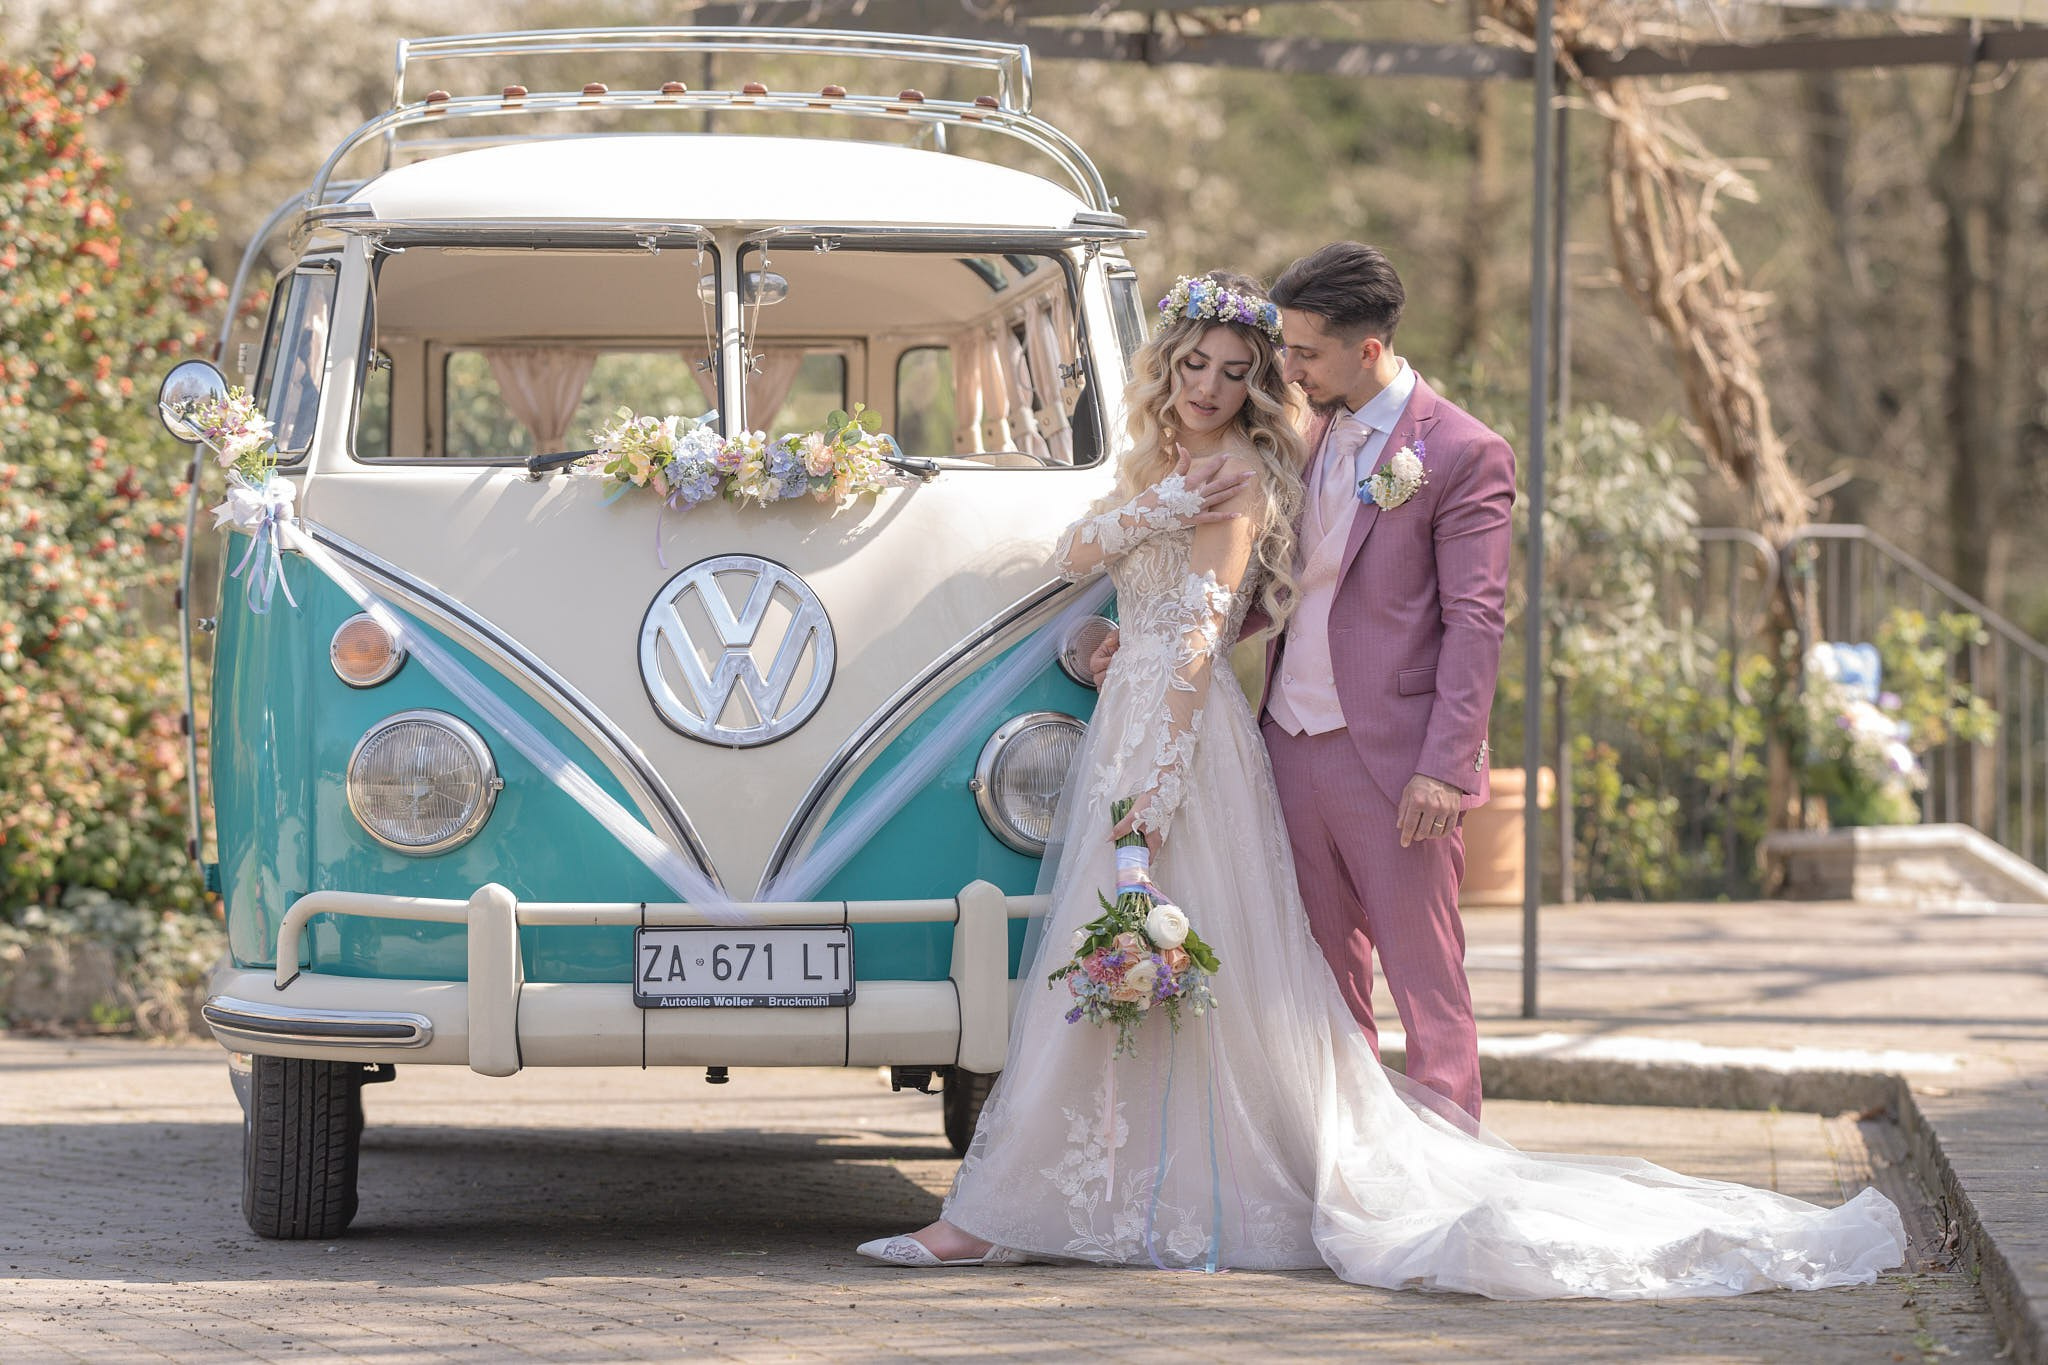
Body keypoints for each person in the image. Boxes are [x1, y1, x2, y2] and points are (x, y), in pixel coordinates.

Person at [856, 270, 1905, 1297]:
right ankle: (1312, 1188)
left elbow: (1473, 622)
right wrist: (1127, 629)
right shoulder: (1303, 441)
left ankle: (1440, 1186)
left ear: (1364, 346)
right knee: (1301, 986)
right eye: (1245, 359)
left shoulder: (1458, 452)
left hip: (1371, 756)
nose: (1278, 372)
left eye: (1287, 356)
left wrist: (1443, 765)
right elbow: (1244, 593)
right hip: (1279, 743)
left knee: (1421, 980)